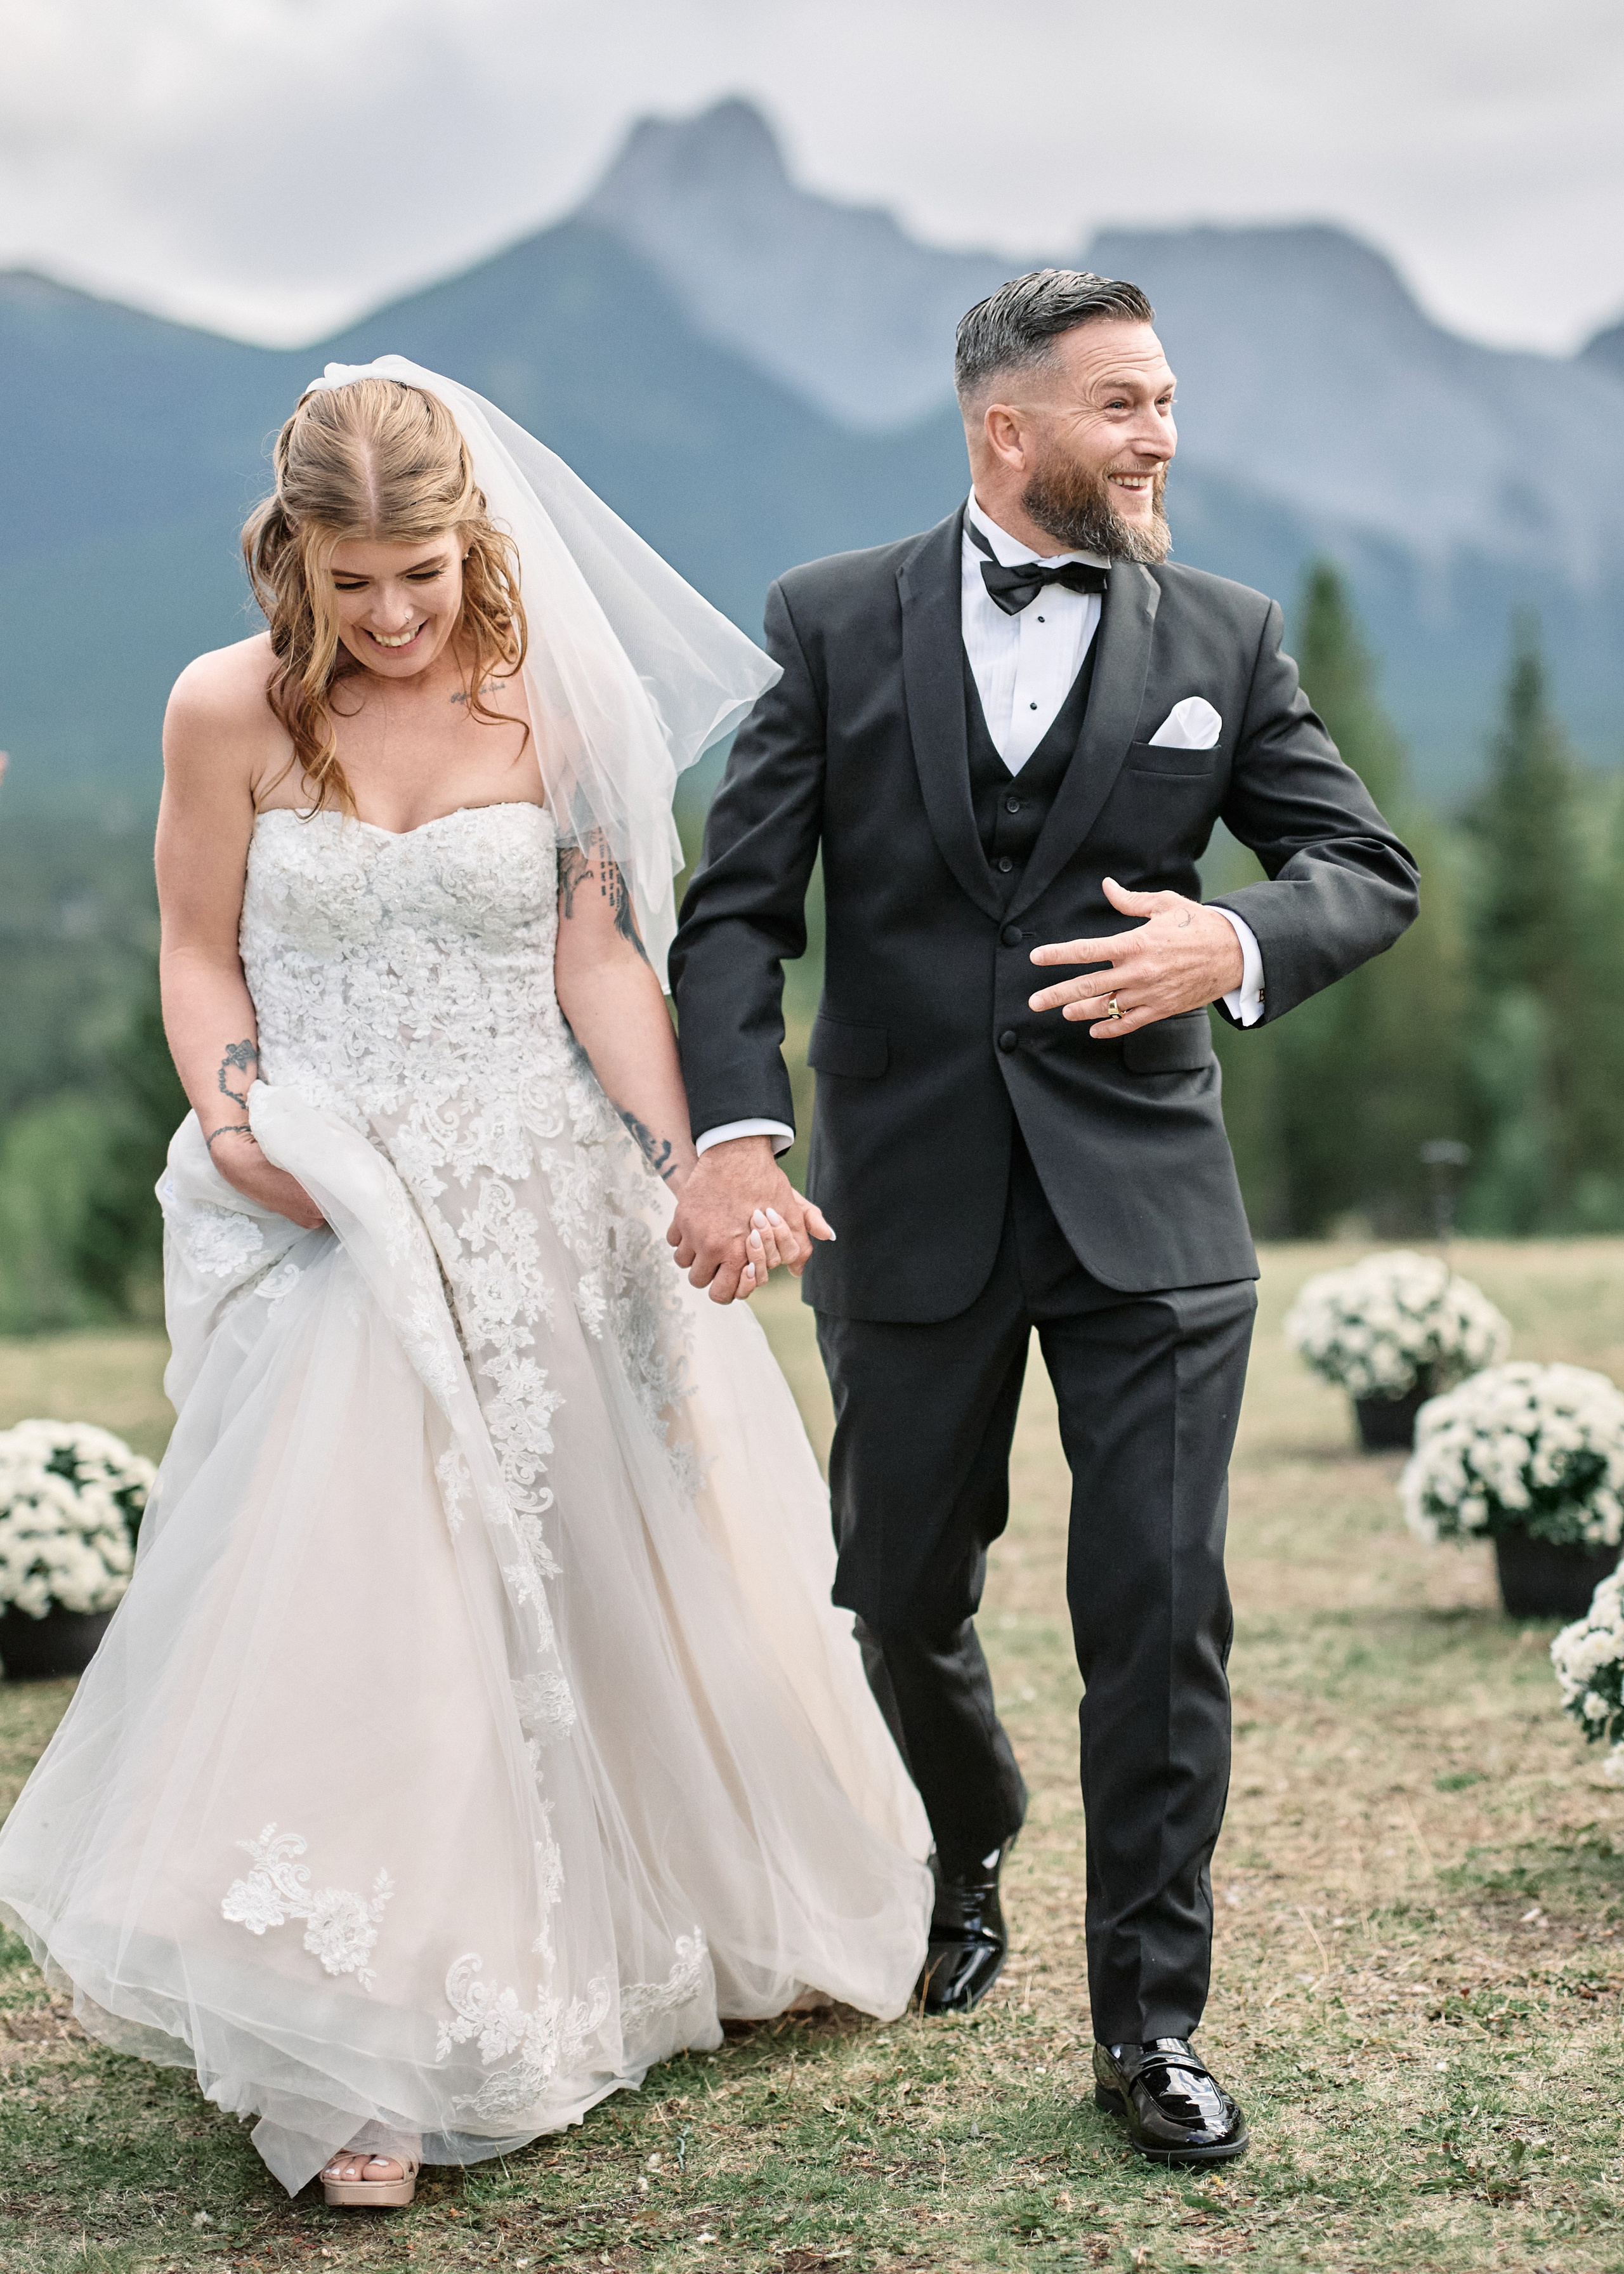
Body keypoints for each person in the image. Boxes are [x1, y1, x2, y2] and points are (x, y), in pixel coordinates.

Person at [0, 359, 932, 2206]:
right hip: (336, 1188)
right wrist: (238, 1113)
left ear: (471, 541)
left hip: (542, 1184)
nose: (397, 615)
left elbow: (597, 964)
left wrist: (686, 1161)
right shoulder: (230, 712)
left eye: (421, 574)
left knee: (594, 1554)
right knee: (371, 1586)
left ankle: (656, 1917)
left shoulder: (551, 711)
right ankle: (367, 2046)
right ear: (295, 559)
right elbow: (199, 954)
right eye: (354, 585)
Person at [667, 270, 1420, 2166]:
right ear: (1009, 431)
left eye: (1168, 400)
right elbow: (738, 909)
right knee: (899, 1593)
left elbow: (1364, 866)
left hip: (1150, 1210)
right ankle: (966, 1825)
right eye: (1124, 405)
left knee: (1159, 1621)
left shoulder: (1228, 638)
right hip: (902, 1202)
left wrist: (1229, 938)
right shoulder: (833, 623)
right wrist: (742, 1132)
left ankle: (1148, 2029)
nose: (1163, 434)